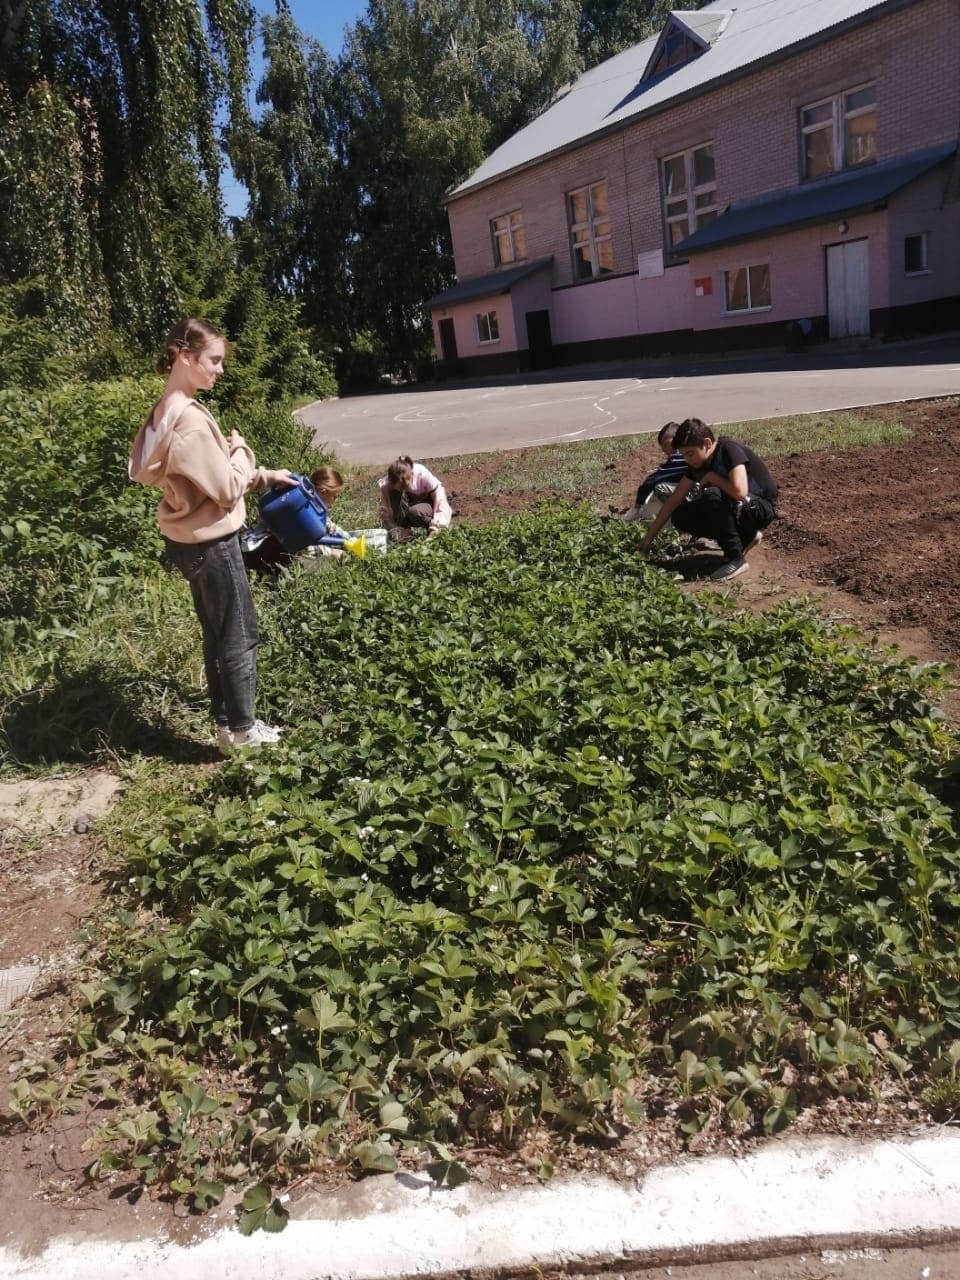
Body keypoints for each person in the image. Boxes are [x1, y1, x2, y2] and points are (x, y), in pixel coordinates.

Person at [128, 317, 296, 753]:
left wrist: (264, 475)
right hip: (213, 541)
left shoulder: (163, 412)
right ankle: (243, 733)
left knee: (216, 633)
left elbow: (200, 477)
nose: (220, 370)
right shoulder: (192, 420)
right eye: (214, 360)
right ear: (186, 356)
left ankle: (226, 728)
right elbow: (223, 488)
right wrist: (240, 450)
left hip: (185, 541)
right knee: (240, 632)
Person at [639, 417, 778, 581]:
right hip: (741, 508)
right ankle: (746, 536)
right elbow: (673, 500)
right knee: (680, 514)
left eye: (690, 454)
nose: (688, 460)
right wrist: (647, 540)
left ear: (706, 443)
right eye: (684, 456)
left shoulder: (728, 449)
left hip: (760, 507)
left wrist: (712, 476)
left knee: (712, 495)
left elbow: (740, 492)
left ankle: (735, 559)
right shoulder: (697, 465)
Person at [242, 465, 347, 574]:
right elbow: (305, 545)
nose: (335, 500)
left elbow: (328, 525)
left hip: (271, 540)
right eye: (335, 496)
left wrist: (347, 539)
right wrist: (333, 552)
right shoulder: (303, 510)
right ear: (323, 492)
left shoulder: (305, 498)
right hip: (268, 549)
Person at [621, 422, 689, 522]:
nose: (665, 450)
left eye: (666, 444)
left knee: (657, 490)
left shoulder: (679, 457)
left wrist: (637, 506)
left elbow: (652, 481)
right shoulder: (692, 454)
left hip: (689, 497)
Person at [378, 455, 452, 541]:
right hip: (410, 507)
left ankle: (431, 529)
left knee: (415, 512)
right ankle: (404, 531)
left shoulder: (422, 474)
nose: (405, 489)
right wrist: (395, 529)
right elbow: (386, 514)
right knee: (394, 495)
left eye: (406, 486)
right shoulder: (387, 486)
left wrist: (437, 526)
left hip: (429, 507)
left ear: (411, 475)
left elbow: (440, 501)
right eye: (400, 488)